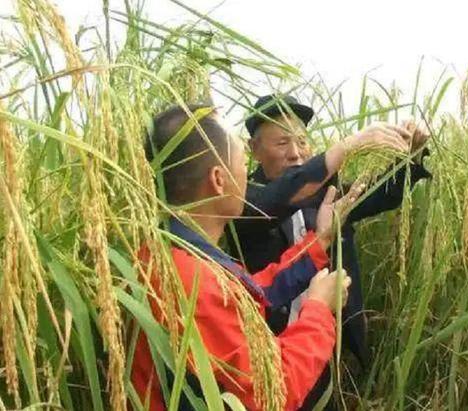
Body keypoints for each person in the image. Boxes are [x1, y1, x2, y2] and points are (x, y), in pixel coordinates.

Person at [131, 104, 361, 411]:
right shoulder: (193, 281)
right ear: (218, 179)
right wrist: (318, 309)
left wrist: (320, 240)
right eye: (241, 160)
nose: (247, 176)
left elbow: (250, 293)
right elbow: (275, 393)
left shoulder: (170, 253)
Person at [227, 94, 431, 409]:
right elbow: (277, 199)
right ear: (254, 149)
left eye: (302, 142)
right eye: (282, 144)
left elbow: (383, 194)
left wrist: (412, 156)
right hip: (269, 346)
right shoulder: (244, 199)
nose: (295, 154)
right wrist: (346, 146)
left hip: (325, 342)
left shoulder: (328, 190)